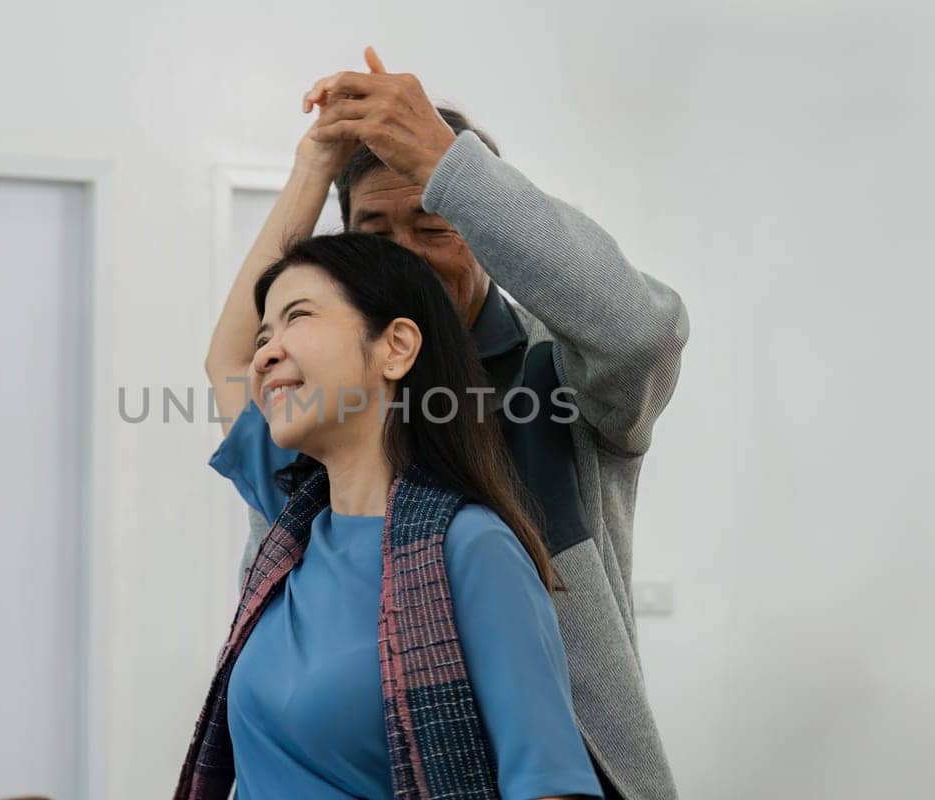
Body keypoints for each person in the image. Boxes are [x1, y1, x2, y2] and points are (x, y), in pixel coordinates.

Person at [201, 48, 687, 800]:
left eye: (437, 226)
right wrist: (314, 167)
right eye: (376, 233)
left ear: (486, 232)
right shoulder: (320, 440)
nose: (409, 261)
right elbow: (235, 361)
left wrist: (445, 162)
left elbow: (642, 334)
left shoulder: (553, 378)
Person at [178, 232, 603, 800]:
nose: (263, 354)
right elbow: (225, 361)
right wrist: (314, 162)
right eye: (263, 335)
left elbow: (551, 786)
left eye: (296, 316)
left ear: (396, 346)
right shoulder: (293, 534)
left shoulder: (471, 547)